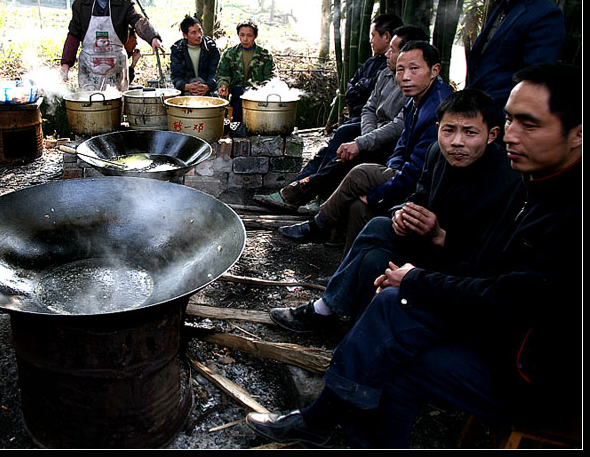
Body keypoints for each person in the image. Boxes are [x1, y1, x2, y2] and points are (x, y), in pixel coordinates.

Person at [245, 63, 581, 449]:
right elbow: (481, 261)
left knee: (394, 316)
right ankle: (332, 406)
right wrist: (405, 221)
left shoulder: (564, 209)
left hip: (533, 371)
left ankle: (324, 416)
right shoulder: (534, 181)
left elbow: (505, 297)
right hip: (495, 319)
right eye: (510, 120)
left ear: (577, 135)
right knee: (382, 274)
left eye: (530, 124)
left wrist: (417, 278)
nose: (511, 135)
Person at [270, 89, 522, 333]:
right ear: (438, 130)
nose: (457, 142)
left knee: (374, 253)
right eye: (449, 130)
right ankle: (351, 328)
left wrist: (441, 236)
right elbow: (417, 197)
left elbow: (491, 258)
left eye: (470, 132)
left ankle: (328, 312)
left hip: (460, 272)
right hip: (426, 247)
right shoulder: (436, 153)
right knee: (378, 236)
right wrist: (402, 214)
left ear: (492, 135)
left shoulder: (508, 179)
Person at [279, 41, 453, 252]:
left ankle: (318, 225)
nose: (406, 76)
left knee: (361, 174)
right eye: (400, 69)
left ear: (434, 70)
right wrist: (392, 166)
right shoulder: (415, 98)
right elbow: (402, 142)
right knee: (358, 207)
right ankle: (348, 270)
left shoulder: (439, 108)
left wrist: (375, 194)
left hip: (423, 187)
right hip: (401, 171)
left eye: (414, 69)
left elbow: (417, 171)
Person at [253, 24, 428, 213]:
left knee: (347, 156)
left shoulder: (415, 86)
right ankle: (298, 186)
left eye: (392, 51)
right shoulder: (385, 74)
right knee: (340, 137)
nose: (387, 55)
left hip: (390, 144)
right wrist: (366, 135)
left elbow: (398, 126)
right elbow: (369, 107)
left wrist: (363, 143)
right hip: (373, 130)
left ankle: (316, 195)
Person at [467, 0, 564, 120]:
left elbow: (534, 76)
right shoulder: (502, 8)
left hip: (505, 113)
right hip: (478, 109)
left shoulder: (546, 14)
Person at [60, 0, 163, 93]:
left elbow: (138, 21)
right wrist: (65, 64)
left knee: (116, 106)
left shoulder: (124, 5)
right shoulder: (81, 5)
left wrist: (152, 37)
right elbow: (73, 35)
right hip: (89, 68)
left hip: (116, 68)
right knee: (90, 105)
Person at [341, 14, 403, 124]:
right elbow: (350, 91)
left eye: (373, 36)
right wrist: (363, 86)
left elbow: (374, 93)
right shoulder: (371, 62)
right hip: (361, 118)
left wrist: (361, 85)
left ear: (386, 36)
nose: (371, 41)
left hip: (376, 123)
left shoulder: (394, 67)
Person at [216, 19, 276, 131]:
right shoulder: (230, 54)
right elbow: (222, 74)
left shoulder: (265, 55)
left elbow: (271, 78)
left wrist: (261, 90)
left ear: (255, 36)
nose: (245, 39)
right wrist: (223, 85)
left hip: (257, 96)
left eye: (249, 35)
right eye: (242, 35)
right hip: (235, 94)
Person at [169, 15, 220, 95]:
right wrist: (187, 86)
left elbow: (215, 73)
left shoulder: (211, 48)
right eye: (193, 33)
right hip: (187, 90)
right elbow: (176, 76)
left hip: (208, 89)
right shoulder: (177, 50)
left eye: (200, 30)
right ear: (185, 35)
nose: (198, 35)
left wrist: (207, 87)